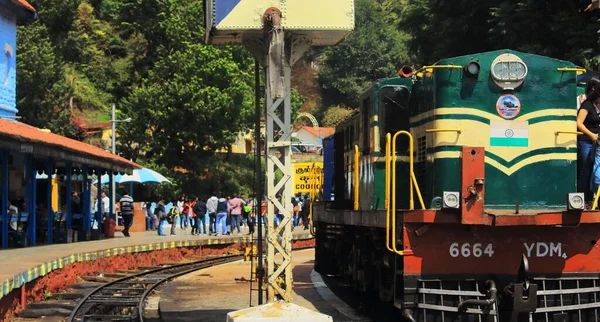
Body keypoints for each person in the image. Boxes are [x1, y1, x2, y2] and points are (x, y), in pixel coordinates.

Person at [577, 76, 600, 203]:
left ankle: (592, 199)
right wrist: (591, 134)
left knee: (595, 170)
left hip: (598, 141)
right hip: (586, 141)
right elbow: (579, 123)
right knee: (585, 169)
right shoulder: (587, 104)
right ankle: (582, 199)